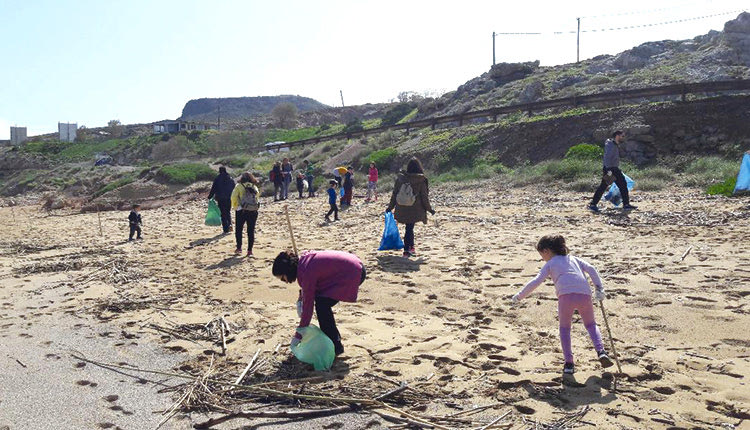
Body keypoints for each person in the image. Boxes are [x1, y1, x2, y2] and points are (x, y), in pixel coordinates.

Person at [511, 234, 613, 375]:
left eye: (541, 254)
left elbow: (536, 281)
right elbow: (591, 269)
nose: (542, 258)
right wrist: (599, 288)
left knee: (565, 328)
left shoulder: (550, 264)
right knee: (591, 324)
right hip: (585, 295)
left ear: (546, 251)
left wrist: (519, 296)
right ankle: (601, 351)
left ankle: (569, 363)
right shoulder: (574, 259)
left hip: (566, 297)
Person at [272, 250, 366, 356]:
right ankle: (334, 342)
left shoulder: (307, 273)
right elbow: (311, 287)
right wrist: (301, 298)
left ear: (288, 271)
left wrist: (299, 334)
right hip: (352, 265)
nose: (286, 282)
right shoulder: (304, 262)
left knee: (322, 306)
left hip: (353, 272)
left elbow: (308, 309)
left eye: (283, 278)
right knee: (321, 299)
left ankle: (335, 346)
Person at [386, 157, 435, 258]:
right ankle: (407, 250)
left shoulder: (401, 179)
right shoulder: (421, 180)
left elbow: (394, 194)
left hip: (402, 207)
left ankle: (411, 247)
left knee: (409, 228)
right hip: (415, 209)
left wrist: (390, 207)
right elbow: (424, 197)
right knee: (409, 228)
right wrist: (430, 209)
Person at [588, 131, 637, 212]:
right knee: (603, 186)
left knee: (623, 185)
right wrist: (608, 170)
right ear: (617, 136)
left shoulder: (615, 145)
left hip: (614, 168)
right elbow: (607, 158)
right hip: (610, 169)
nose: (623, 138)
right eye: (622, 136)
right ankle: (593, 204)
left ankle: (626, 204)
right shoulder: (610, 145)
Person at [230, 172, 261, 257]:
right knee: (251, 230)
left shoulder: (239, 186)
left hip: (241, 210)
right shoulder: (254, 187)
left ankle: (239, 248)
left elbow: (233, 197)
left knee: (239, 229)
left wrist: (236, 207)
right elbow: (257, 198)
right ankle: (250, 250)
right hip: (253, 210)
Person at [207, 166, 236, 234]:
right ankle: (229, 224)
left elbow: (213, 188)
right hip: (229, 198)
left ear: (220, 171)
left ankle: (225, 229)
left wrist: (210, 197)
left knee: (223, 213)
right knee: (228, 212)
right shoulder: (230, 178)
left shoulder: (217, 178)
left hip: (220, 198)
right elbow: (234, 187)